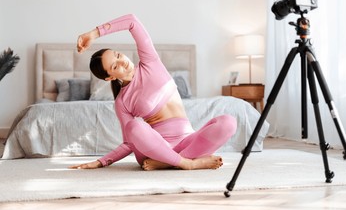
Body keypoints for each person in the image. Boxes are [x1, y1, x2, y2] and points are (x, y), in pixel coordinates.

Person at [70, 14, 237, 171]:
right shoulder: (122, 102)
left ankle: (168, 162)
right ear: (109, 78)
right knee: (134, 126)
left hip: (188, 141)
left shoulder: (150, 61)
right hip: (157, 149)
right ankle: (188, 164)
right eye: (115, 66)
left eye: (118, 55)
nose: (122, 62)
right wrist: (101, 161)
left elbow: (132, 21)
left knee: (228, 122)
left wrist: (94, 33)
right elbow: (129, 142)